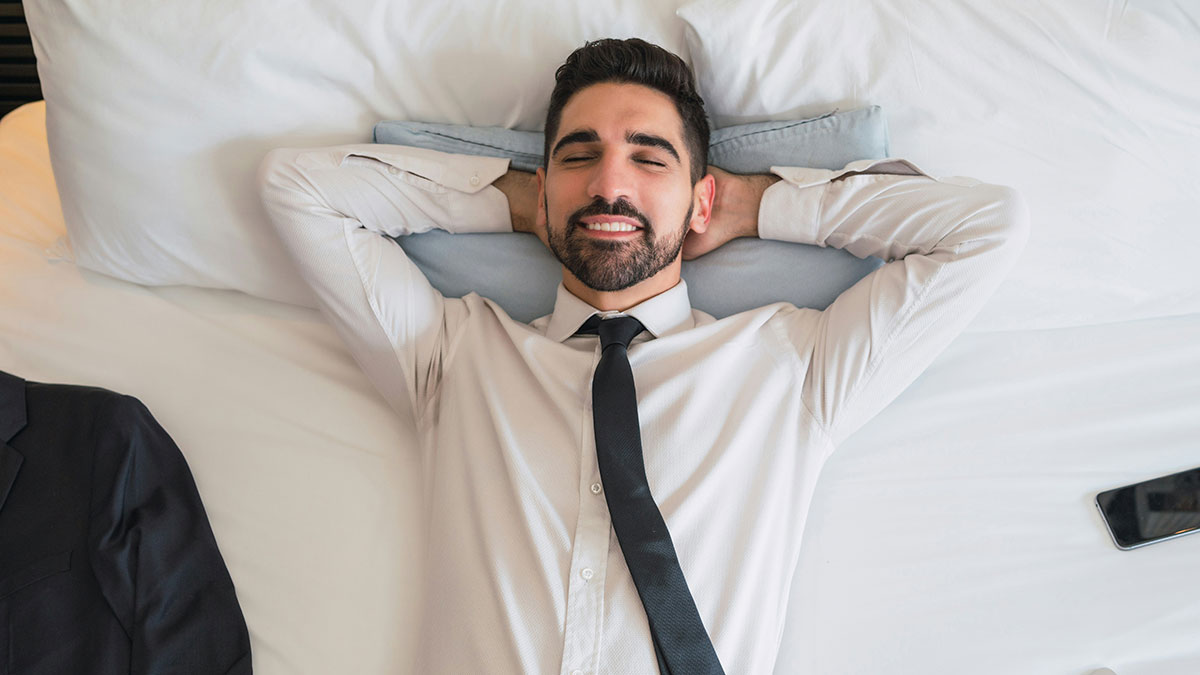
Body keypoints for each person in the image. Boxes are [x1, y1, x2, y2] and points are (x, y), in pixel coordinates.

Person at [258, 37, 1028, 675]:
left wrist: (758, 204)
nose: (610, 183)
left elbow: (984, 227)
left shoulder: (790, 368)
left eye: (649, 159)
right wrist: (527, 203)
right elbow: (296, 187)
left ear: (701, 199)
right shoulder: (452, 355)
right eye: (579, 157)